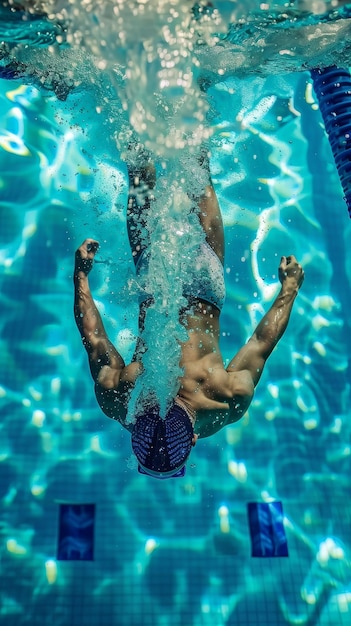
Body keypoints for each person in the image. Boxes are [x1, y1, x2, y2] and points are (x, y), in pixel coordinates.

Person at [74, 153, 304, 479]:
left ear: (193, 438)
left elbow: (261, 343)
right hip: (155, 280)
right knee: (140, 164)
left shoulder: (225, 402)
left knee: (197, 164)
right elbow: (93, 338)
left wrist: (290, 288)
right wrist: (81, 276)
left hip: (205, 288)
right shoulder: (119, 400)